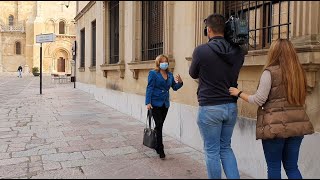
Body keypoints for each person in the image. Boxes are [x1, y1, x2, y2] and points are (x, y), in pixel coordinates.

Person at [229, 39, 314, 179]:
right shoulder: (299, 72)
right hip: (297, 126)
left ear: (274, 52)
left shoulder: (270, 72)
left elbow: (259, 99)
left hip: (274, 127)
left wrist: (238, 93)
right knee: (292, 167)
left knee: (274, 167)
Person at [189, 13, 245, 179]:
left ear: (209, 30)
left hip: (210, 107)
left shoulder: (201, 51)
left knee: (212, 151)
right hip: (230, 106)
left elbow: (193, 74)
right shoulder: (238, 52)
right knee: (225, 148)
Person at [145, 54, 183, 159]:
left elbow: (174, 87)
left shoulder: (170, 74)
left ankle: (157, 145)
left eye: (166, 61)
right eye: (162, 61)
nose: (164, 63)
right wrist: (148, 102)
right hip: (155, 104)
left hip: (165, 104)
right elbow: (149, 88)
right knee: (159, 125)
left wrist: (180, 82)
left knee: (159, 126)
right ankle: (161, 149)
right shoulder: (153, 73)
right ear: (158, 63)